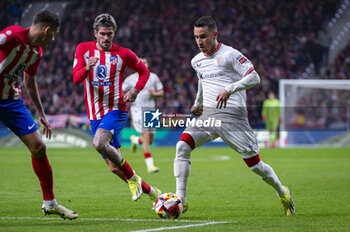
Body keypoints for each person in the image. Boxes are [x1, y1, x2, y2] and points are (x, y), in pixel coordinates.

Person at [173, 16, 295, 215]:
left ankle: (282, 191)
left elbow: (254, 76)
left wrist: (230, 88)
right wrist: (198, 103)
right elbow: (202, 82)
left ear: (215, 34)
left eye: (203, 37)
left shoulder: (230, 55)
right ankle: (181, 200)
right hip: (209, 115)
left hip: (233, 118)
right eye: (196, 37)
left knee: (255, 166)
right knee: (182, 146)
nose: (199, 42)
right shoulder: (196, 61)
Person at [73, 13, 161, 205]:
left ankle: (133, 178)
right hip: (95, 115)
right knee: (114, 167)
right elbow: (76, 78)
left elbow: (144, 72)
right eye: (103, 34)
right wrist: (87, 68)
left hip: (116, 109)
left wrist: (136, 90)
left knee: (98, 143)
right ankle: (154, 192)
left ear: (114, 33)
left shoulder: (123, 54)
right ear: (95, 33)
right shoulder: (83, 50)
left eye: (110, 34)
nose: (106, 38)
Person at [0, 10, 78, 220]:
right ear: (46, 30)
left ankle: (50, 203)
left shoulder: (37, 52)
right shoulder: (11, 35)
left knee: (38, 146)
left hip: (10, 101)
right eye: (53, 34)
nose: (53, 39)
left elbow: (29, 82)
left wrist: (41, 114)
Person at [123, 58, 164, 173]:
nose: (144, 64)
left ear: (148, 64)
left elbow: (161, 93)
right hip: (137, 110)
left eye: (145, 62)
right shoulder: (131, 79)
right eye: (141, 63)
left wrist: (154, 93)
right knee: (146, 136)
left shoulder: (154, 77)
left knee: (150, 140)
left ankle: (135, 140)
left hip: (151, 111)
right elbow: (121, 90)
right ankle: (150, 166)